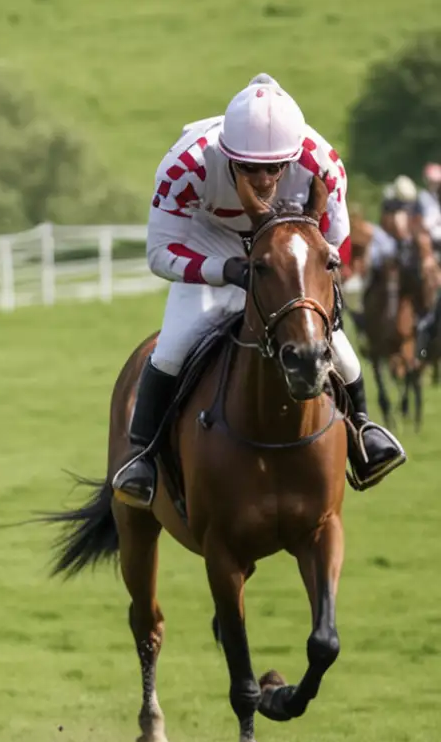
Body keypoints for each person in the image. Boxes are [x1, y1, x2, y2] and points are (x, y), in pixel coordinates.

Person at [111, 74, 405, 505]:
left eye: (274, 167)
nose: (264, 178)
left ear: (292, 156)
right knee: (174, 345)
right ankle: (141, 457)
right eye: (248, 167)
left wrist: (316, 286)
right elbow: (159, 253)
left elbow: (336, 245)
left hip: (292, 240)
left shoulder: (321, 161)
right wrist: (226, 269)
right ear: (226, 153)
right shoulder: (185, 166)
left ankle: (363, 431)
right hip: (211, 239)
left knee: (335, 344)